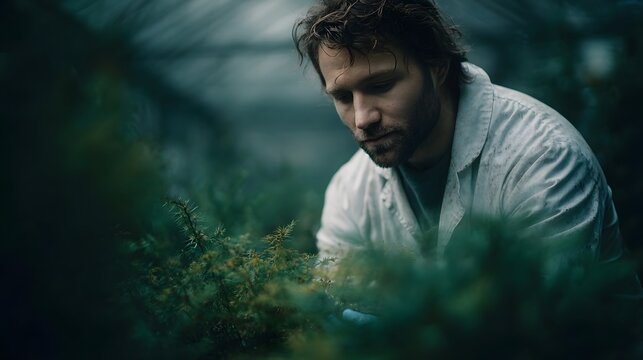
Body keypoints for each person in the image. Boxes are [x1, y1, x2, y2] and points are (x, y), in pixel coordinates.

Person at [293, 0, 623, 267]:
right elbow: (333, 313)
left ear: (437, 67)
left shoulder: (543, 158)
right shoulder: (350, 190)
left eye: (381, 85)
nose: (363, 118)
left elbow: (541, 326)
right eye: (343, 97)